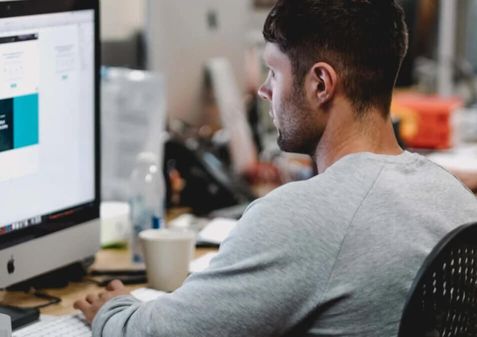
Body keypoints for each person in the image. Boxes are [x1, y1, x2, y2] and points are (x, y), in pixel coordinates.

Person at [75, 1, 477, 336]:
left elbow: (159, 333)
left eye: (273, 72)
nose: (265, 90)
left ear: (321, 84)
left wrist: (113, 309)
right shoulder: (452, 195)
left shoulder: (303, 217)